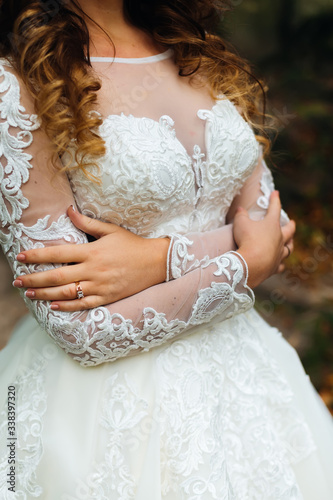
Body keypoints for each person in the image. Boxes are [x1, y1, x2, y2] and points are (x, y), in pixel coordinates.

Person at [0, 0, 332, 498]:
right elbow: (80, 328)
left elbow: (272, 224)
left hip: (249, 386)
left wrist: (160, 257)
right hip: (106, 412)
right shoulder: (20, 80)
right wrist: (244, 263)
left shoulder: (189, 43)